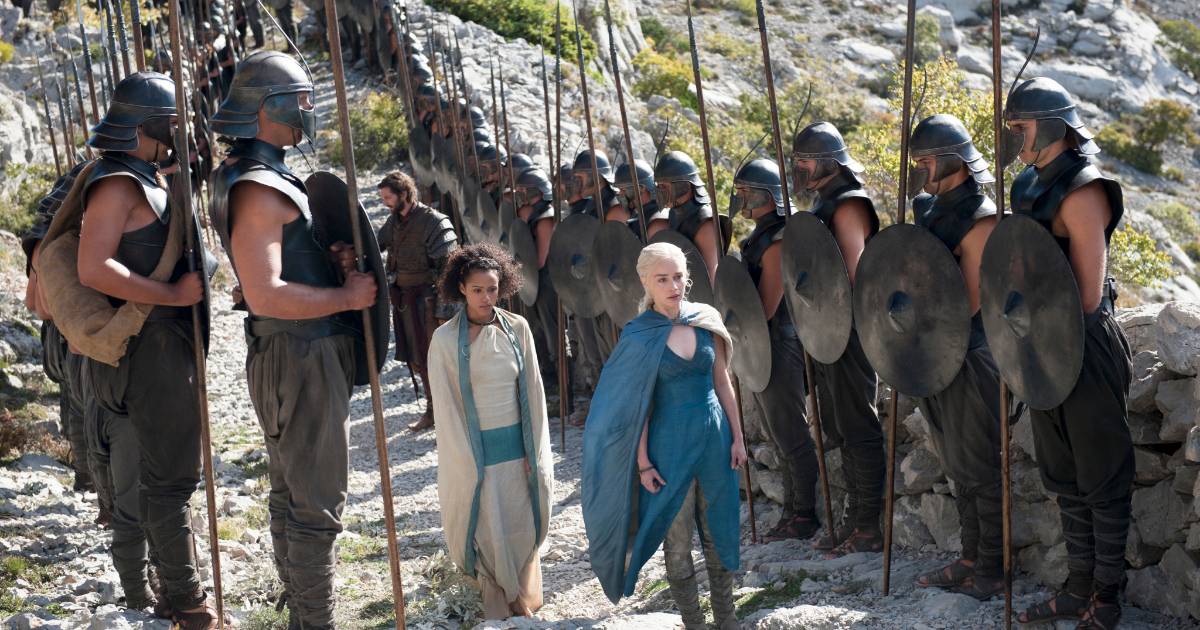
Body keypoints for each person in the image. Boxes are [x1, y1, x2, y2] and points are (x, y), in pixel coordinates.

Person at [208, 50, 376, 629]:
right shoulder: (259, 187)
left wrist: (326, 264)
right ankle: (313, 622)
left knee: (292, 490)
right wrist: (347, 297)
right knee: (315, 502)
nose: (308, 108)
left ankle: (302, 615)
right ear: (266, 107)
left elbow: (273, 273)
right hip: (300, 353)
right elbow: (267, 293)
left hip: (291, 350)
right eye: (300, 98)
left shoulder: (248, 174)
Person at [72, 72, 216, 628]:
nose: (178, 133)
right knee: (170, 481)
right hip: (146, 349)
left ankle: (174, 593)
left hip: (159, 347)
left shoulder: (143, 177)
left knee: (166, 477)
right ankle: (187, 603)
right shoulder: (116, 184)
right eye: (172, 124)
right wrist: (172, 295)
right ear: (147, 125)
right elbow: (94, 267)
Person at [1004, 77, 1133, 629]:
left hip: (1084, 345)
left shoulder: (1084, 189)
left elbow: (1085, 295)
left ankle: (1106, 598)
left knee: (1101, 476)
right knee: (1064, 476)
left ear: (1053, 126)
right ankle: (1078, 587)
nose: (1015, 137)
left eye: (1021, 126)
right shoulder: (1025, 187)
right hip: (1039, 346)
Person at [582, 242, 745, 629]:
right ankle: (694, 622)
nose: (673, 286)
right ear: (645, 282)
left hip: (715, 438)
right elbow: (636, 406)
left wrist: (738, 438)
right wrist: (643, 463)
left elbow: (723, 382)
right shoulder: (639, 336)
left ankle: (727, 620)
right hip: (668, 447)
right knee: (677, 541)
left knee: (720, 531)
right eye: (662, 279)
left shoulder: (705, 319)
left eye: (678, 277)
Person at [905, 114, 1004, 600]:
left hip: (973, 352)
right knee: (958, 465)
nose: (919, 169)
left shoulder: (981, 218)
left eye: (926, 160)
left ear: (951, 160)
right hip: (933, 351)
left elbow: (967, 300)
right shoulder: (929, 211)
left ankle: (992, 566)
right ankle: (970, 556)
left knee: (980, 465)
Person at [427, 243, 554, 620]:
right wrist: (465, 462)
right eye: (477, 289)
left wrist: (534, 452)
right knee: (485, 527)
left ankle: (521, 598)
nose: (486, 297)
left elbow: (533, 393)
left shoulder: (518, 329)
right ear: (461, 288)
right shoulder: (445, 341)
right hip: (474, 453)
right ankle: (492, 603)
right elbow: (446, 407)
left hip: (517, 447)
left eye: (493, 289)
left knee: (519, 522)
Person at [791, 121, 885, 556]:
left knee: (858, 426)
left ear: (830, 162)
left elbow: (855, 275)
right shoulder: (824, 204)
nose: (800, 169)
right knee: (839, 428)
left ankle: (867, 525)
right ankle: (852, 518)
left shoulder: (848, 204)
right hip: (826, 330)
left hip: (850, 332)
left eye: (806, 161)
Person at [729, 158, 820, 542]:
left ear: (768, 195)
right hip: (762, 342)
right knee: (778, 434)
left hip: (780, 342)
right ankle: (790, 511)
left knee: (791, 432)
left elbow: (765, 306)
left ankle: (804, 514)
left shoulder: (779, 238)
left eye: (747, 192)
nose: (741, 199)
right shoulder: (761, 235)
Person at [376, 170, 458, 433]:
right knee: (417, 358)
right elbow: (375, 247)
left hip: (428, 302)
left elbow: (449, 268)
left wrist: (444, 310)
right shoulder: (394, 223)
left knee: (437, 357)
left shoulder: (433, 221)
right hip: (405, 301)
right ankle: (433, 411)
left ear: (404, 193)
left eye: (388, 197)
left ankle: (451, 413)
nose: (385, 203)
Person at [654, 150, 721, 283]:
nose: (660, 191)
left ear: (683, 185)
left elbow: (711, 274)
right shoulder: (674, 213)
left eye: (664, 186)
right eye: (659, 186)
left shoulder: (704, 221)